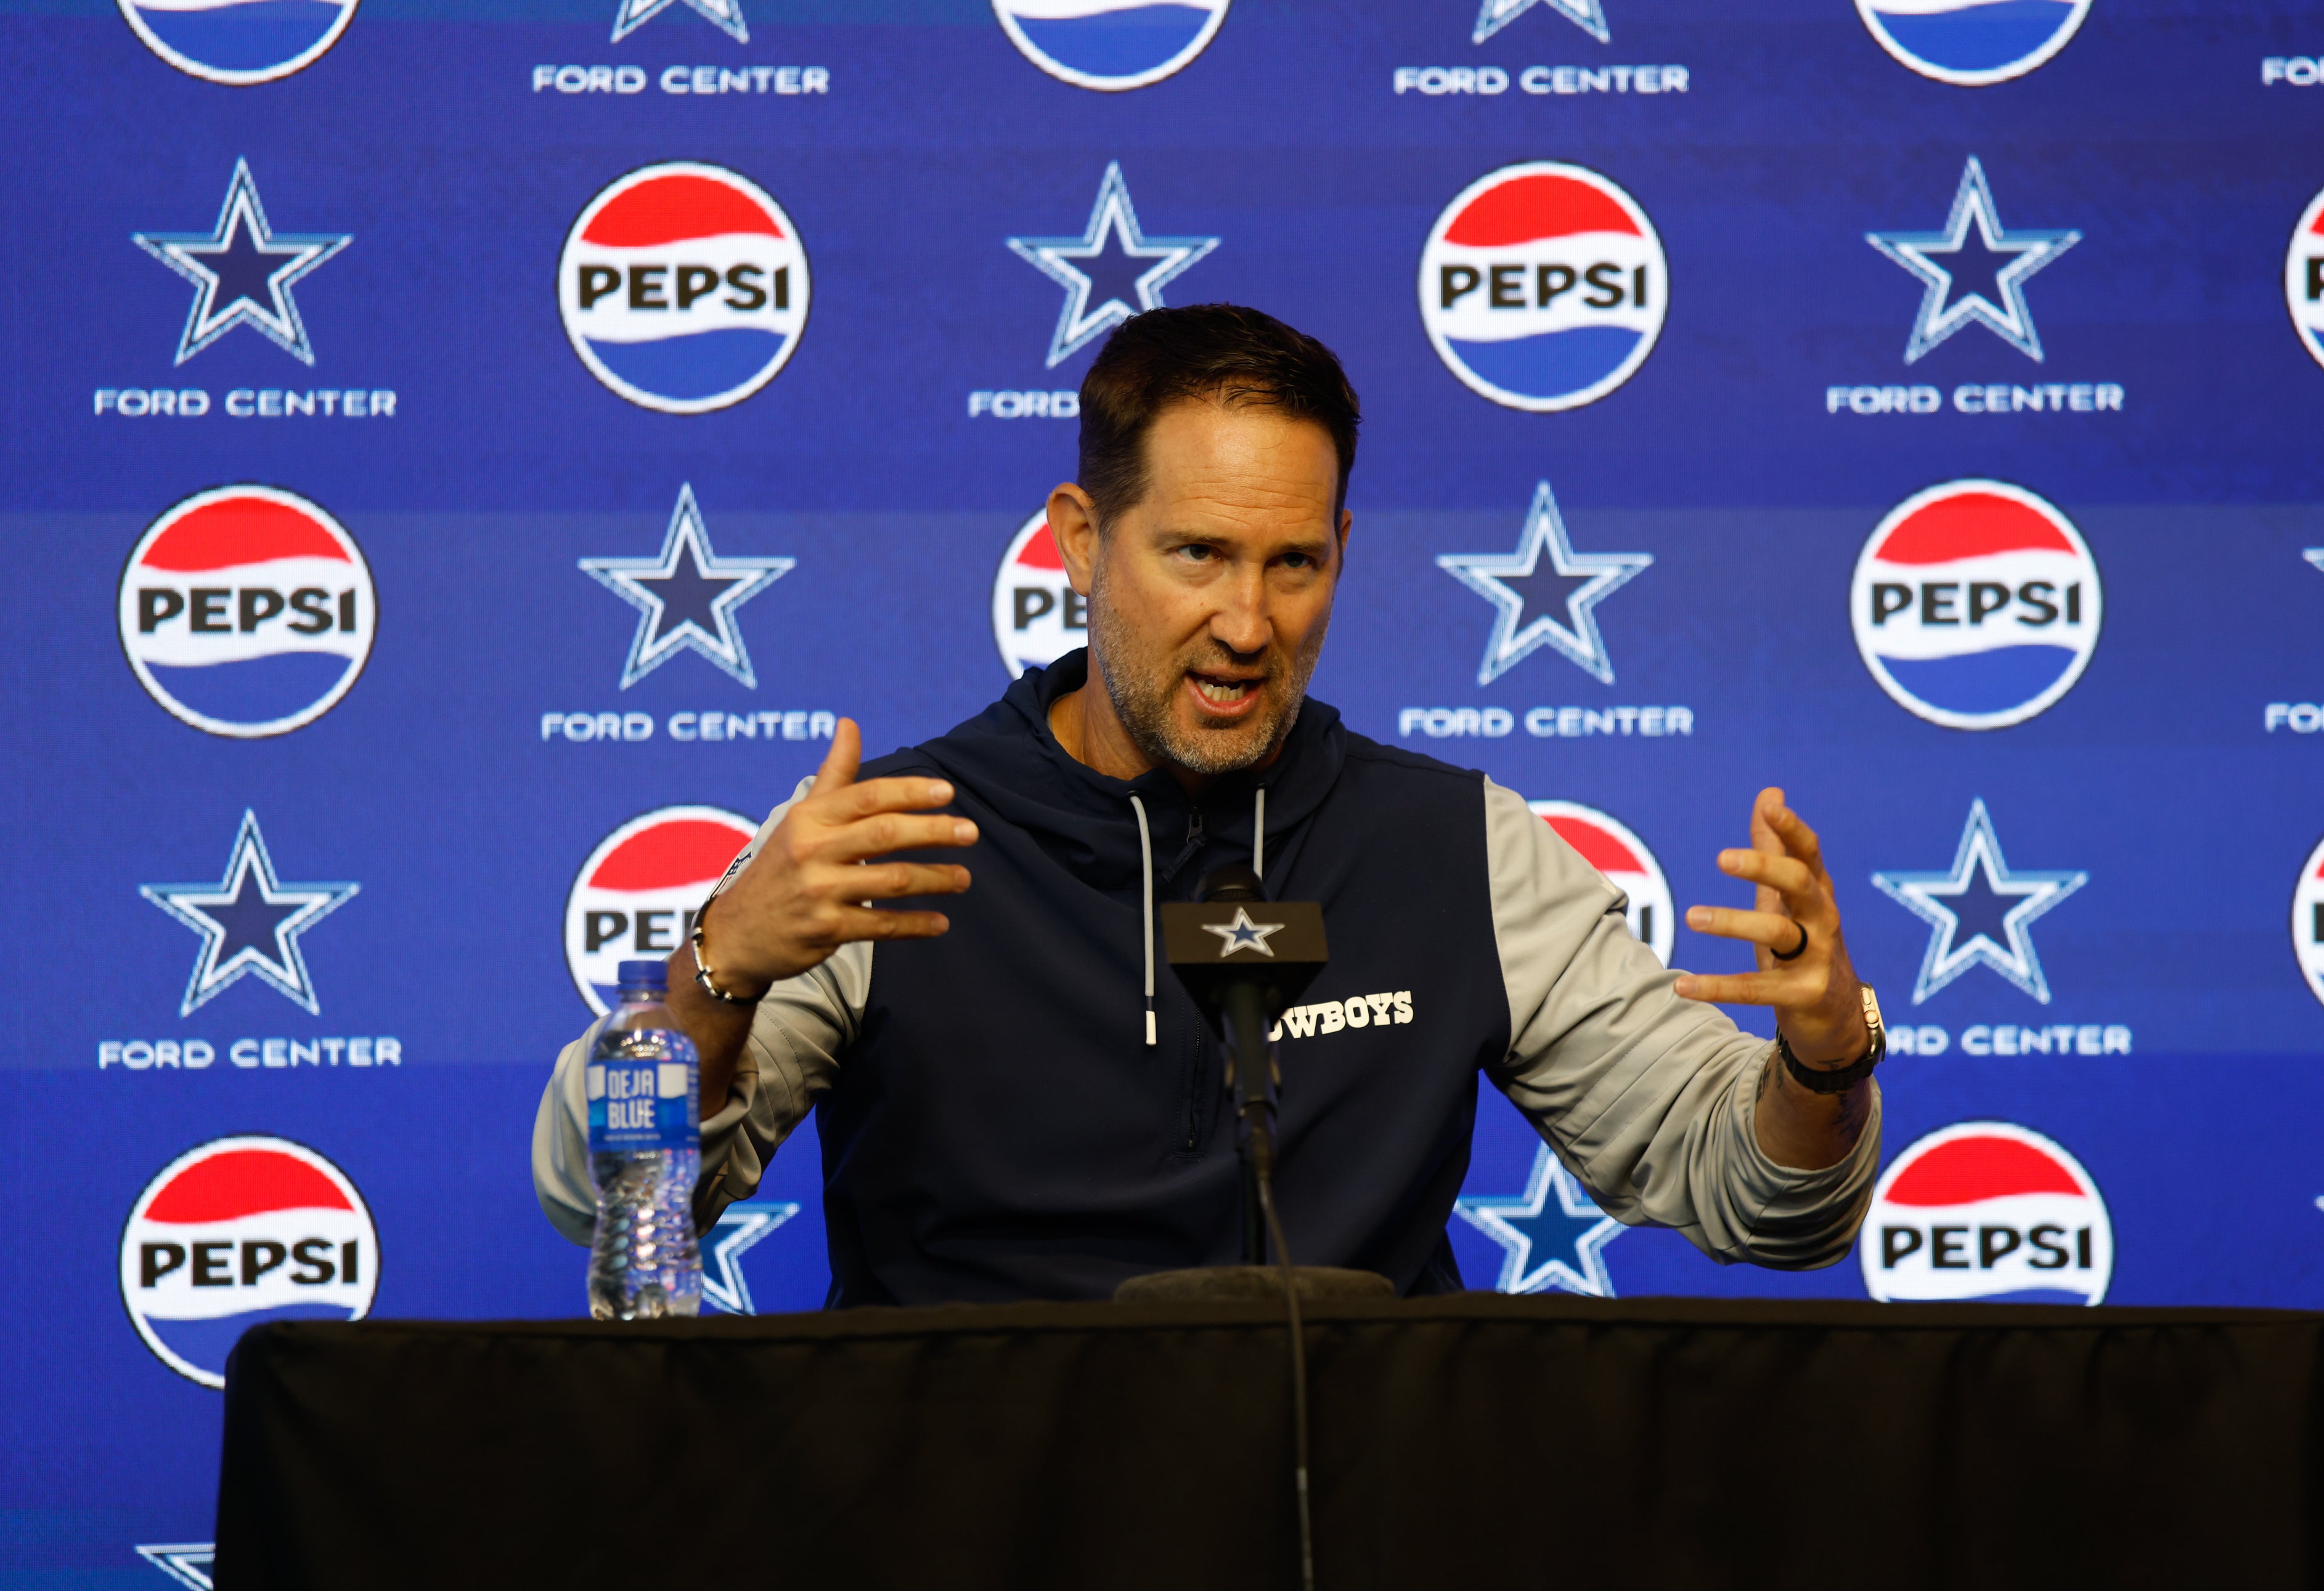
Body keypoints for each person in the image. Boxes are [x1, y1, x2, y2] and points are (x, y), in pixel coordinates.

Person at [533, 304, 1885, 1306]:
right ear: (1077, 538)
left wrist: (1820, 1064)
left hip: (1354, 1517)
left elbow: (1761, 1199)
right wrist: (711, 980)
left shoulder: (1454, 849)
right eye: (1197, 554)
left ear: (1344, 550)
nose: (1249, 622)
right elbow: (596, 1195)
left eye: (1294, 562)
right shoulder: (891, 839)